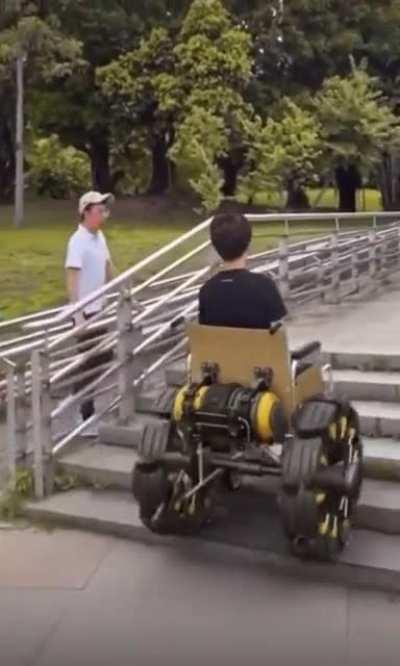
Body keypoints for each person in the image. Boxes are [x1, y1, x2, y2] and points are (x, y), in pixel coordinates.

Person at [64, 191, 115, 433]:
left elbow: (107, 267)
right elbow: (72, 277)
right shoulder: (78, 240)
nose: (104, 214)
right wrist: (76, 316)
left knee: (104, 357)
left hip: (100, 310)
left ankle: (75, 400)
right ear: (86, 212)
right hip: (85, 313)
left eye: (105, 209)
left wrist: (121, 289)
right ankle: (84, 416)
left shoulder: (99, 237)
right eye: (99, 210)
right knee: (88, 363)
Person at [199, 212, 287, 329]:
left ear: (215, 247)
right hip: (258, 347)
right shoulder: (265, 285)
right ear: (248, 245)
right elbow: (278, 335)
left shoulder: (206, 291)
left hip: (220, 347)